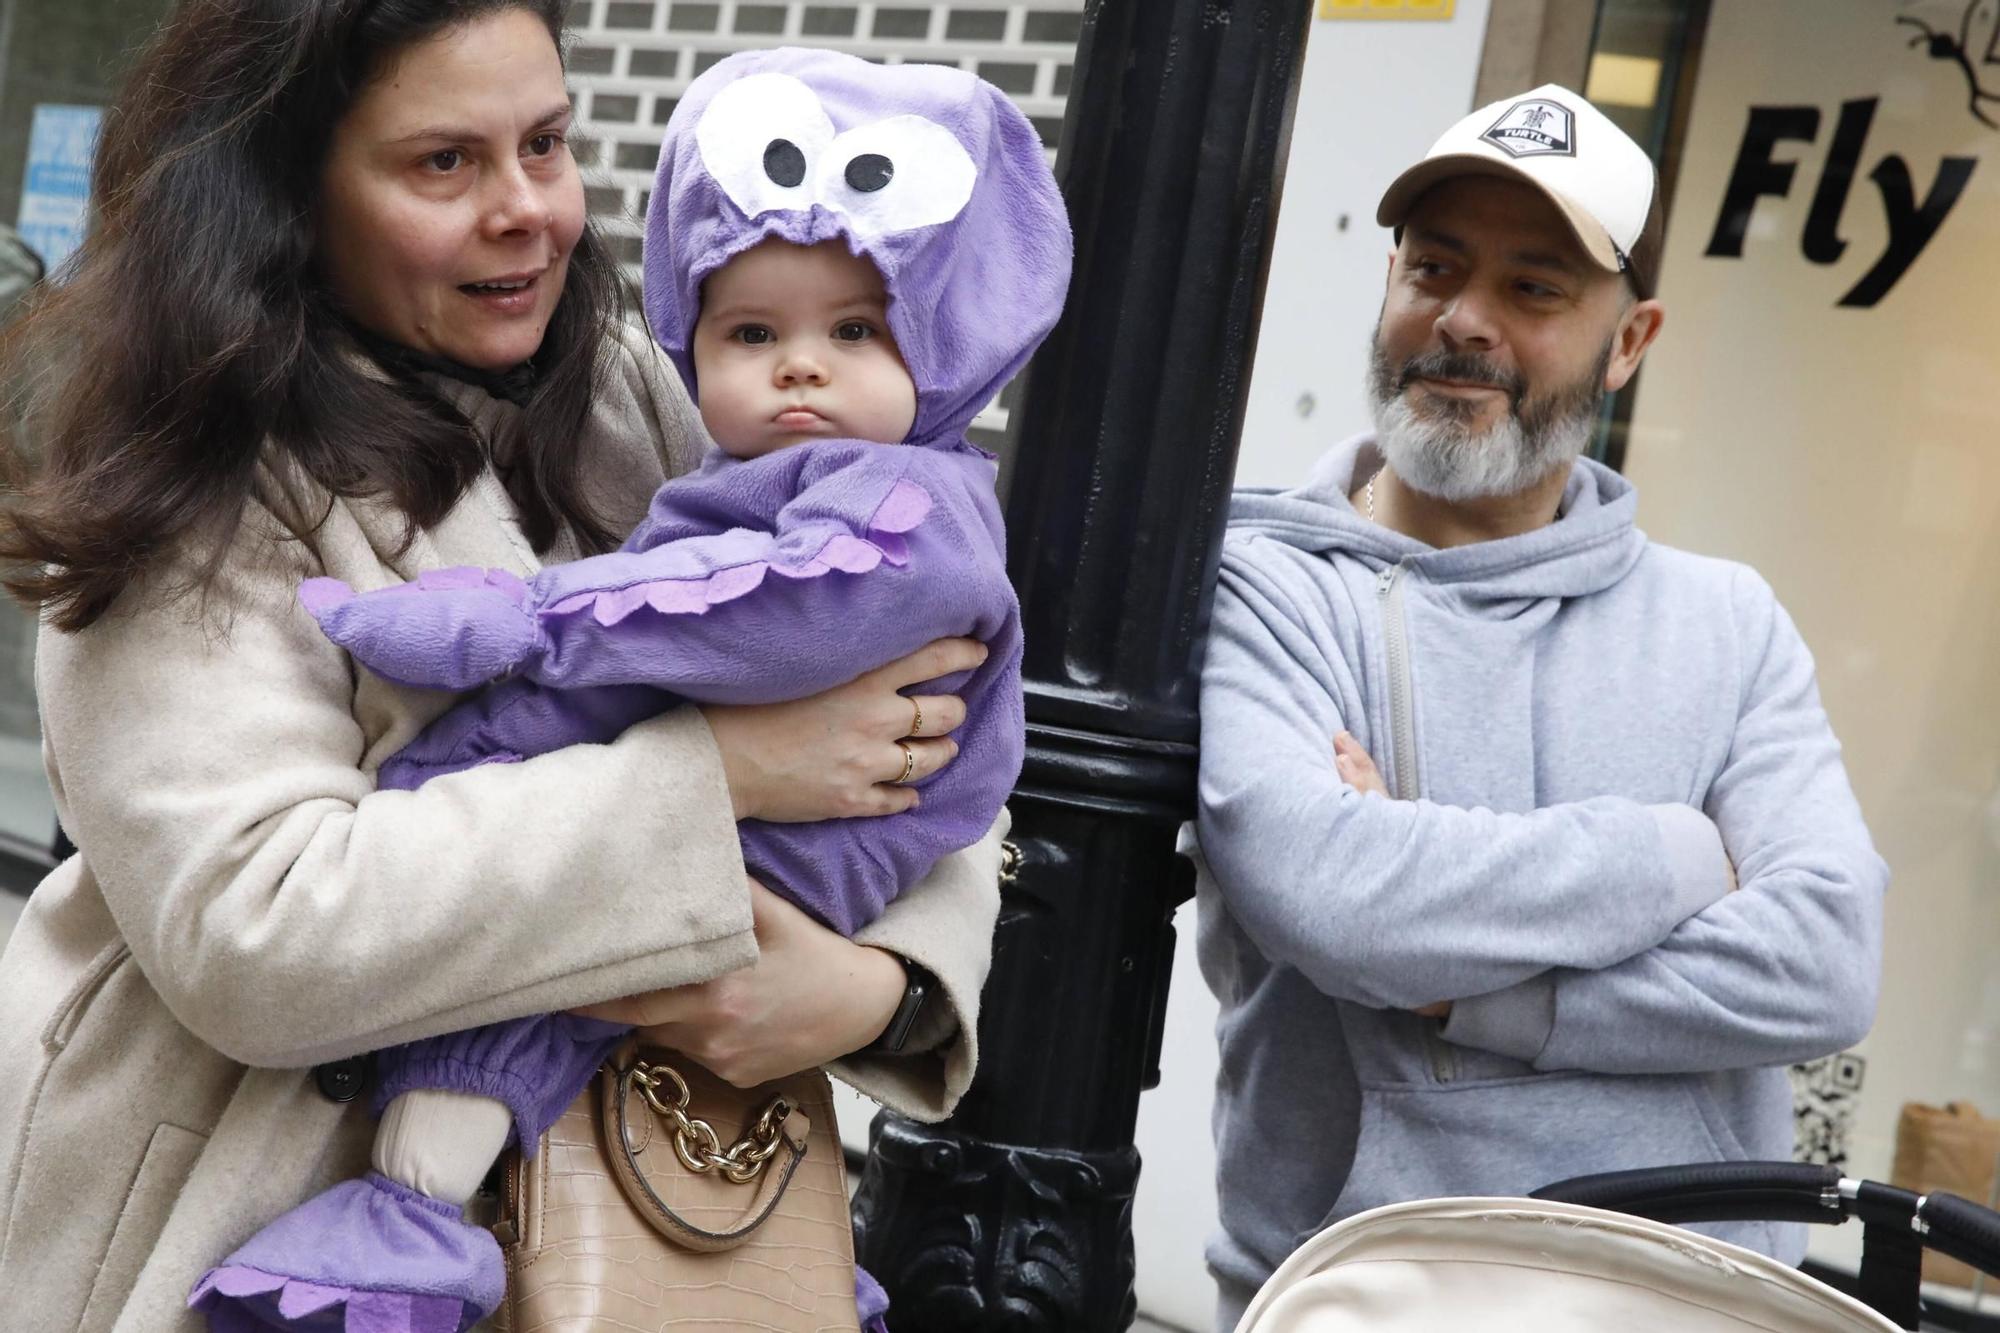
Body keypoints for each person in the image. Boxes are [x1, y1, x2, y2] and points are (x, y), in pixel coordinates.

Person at [0, 4, 1008, 1329]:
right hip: (247, 1216)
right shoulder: (186, 471)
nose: (528, 209)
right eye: (444, 163)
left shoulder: (655, 394)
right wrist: (717, 780)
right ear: (289, 190)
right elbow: (256, 929)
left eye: (545, 143)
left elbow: (935, 712)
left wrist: (879, 989)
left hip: (644, 1230)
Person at [1188, 84, 1887, 1330]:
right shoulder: (1267, 587)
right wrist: (1672, 853)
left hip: (1692, 1297)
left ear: (1628, 343)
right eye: (1433, 268)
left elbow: (1823, 962)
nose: (1462, 321)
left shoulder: (1725, 623)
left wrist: (1469, 989)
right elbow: (1330, 897)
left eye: (1533, 289)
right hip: (1362, 1291)